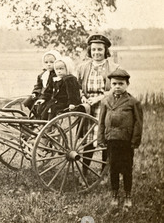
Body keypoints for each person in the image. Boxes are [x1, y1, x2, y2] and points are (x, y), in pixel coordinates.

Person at [97, 68, 143, 209]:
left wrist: (135, 140)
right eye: (114, 83)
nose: (117, 86)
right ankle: (115, 194)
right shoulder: (106, 101)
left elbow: (138, 123)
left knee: (127, 168)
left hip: (126, 141)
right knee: (113, 168)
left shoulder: (133, 102)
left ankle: (128, 195)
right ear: (111, 85)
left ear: (127, 85)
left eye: (121, 84)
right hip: (112, 140)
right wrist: (101, 138)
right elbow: (101, 121)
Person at [76, 34, 120, 177]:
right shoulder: (83, 67)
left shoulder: (113, 67)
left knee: (105, 140)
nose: (96, 53)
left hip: (106, 107)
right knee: (87, 141)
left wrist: (99, 98)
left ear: (105, 50)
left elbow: (116, 89)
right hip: (88, 108)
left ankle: (104, 174)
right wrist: (83, 98)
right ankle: (84, 173)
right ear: (90, 51)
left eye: (100, 50)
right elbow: (78, 87)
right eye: (94, 50)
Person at [35, 56, 81, 120]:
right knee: (44, 106)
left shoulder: (69, 79)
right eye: (57, 69)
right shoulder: (55, 79)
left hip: (65, 103)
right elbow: (49, 91)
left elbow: (73, 93)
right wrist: (44, 98)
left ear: (67, 68)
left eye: (61, 69)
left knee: (53, 108)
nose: (59, 71)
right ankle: (41, 122)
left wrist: (72, 103)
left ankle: (48, 126)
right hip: (56, 102)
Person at [23, 50, 59, 117]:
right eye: (46, 62)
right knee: (29, 101)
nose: (48, 64)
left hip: (50, 95)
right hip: (42, 93)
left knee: (44, 104)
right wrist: (35, 93)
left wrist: (44, 97)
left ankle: (43, 117)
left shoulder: (56, 75)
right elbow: (38, 86)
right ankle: (36, 115)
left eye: (51, 62)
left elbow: (51, 88)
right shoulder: (43, 74)